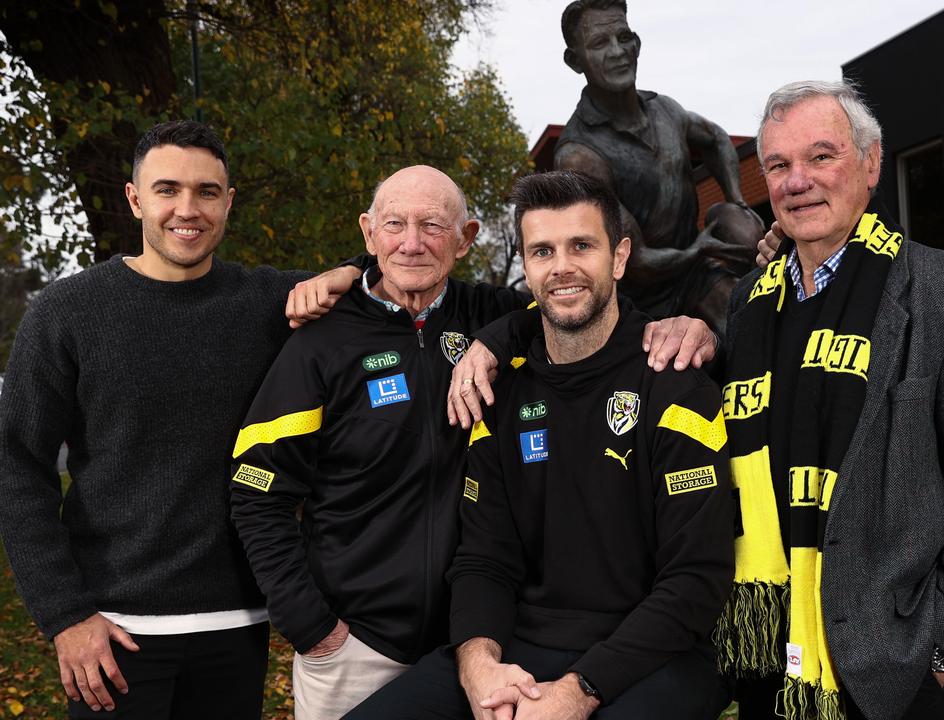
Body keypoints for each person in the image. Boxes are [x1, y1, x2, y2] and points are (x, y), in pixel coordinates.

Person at [0, 120, 357, 718]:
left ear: (228, 202)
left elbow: (398, 263)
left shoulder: (268, 302)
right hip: (112, 635)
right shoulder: (67, 313)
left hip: (237, 625)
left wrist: (348, 273)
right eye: (167, 190)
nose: (186, 209)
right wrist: (64, 615)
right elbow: (17, 466)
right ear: (135, 198)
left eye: (207, 192)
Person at [346, 169, 734, 719]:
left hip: (654, 656)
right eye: (543, 251)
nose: (563, 267)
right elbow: (484, 558)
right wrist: (478, 664)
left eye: (582, 245)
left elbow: (696, 581)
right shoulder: (499, 392)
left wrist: (578, 692)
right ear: (526, 267)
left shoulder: (675, 383)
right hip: (525, 645)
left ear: (619, 258)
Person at [715, 80, 944, 720]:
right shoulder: (747, 306)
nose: (796, 180)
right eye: (778, 165)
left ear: (870, 163)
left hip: (888, 677)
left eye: (821, 156)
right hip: (761, 658)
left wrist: (938, 650)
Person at [227, 165, 530, 719]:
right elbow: (257, 489)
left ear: (466, 237)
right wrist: (314, 629)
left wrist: (493, 341)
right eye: (395, 224)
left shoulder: (493, 316)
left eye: (433, 225)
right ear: (369, 234)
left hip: (476, 649)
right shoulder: (319, 340)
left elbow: (578, 306)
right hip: (355, 652)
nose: (412, 243)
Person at [555, 0, 762, 329]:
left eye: (624, 38)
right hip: (640, 306)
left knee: (753, 332)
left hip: (696, 274)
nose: (617, 52)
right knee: (687, 373)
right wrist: (700, 249)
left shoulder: (666, 110)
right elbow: (636, 262)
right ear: (575, 60)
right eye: (599, 43)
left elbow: (717, 139)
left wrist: (736, 200)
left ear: (636, 43)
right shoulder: (579, 156)